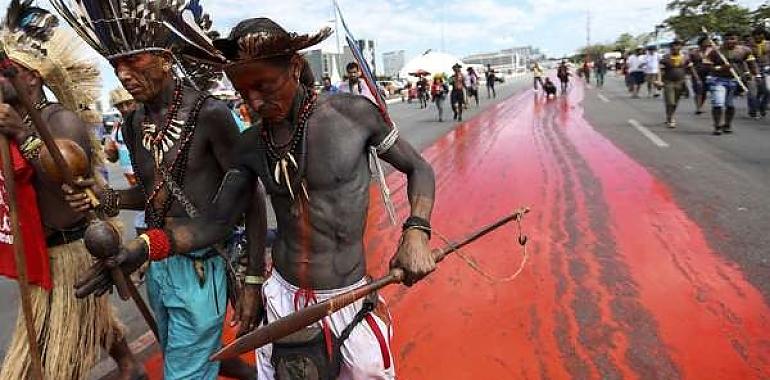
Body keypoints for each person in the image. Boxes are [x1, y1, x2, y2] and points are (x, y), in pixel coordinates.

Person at [74, 17, 437, 380]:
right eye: (244, 93)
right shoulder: (250, 144)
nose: (255, 102)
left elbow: (418, 168)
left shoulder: (352, 116)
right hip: (281, 299)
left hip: (348, 295)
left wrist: (416, 232)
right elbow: (216, 223)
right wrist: (142, 247)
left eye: (264, 87)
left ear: (295, 67)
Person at [52, 2, 258, 379]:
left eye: (134, 61)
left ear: (166, 58)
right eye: (116, 65)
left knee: (183, 373)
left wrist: (253, 280)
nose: (123, 74)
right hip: (158, 269)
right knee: (185, 361)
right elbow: (152, 194)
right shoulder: (133, 122)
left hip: (202, 266)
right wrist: (107, 197)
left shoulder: (209, 114)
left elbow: (249, 198)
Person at [0, 3, 143, 379]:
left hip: (70, 250)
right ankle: (129, 365)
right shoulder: (23, 119)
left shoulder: (59, 119)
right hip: (42, 246)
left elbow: (65, 178)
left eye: (4, 73)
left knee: (44, 359)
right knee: (94, 317)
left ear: (31, 78)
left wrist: (21, 136)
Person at [704, 30, 759, 135]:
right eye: (727, 39)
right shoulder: (716, 51)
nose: (730, 41)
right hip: (718, 80)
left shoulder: (745, 50)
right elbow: (707, 67)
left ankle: (727, 125)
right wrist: (720, 67)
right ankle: (717, 126)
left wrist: (755, 75)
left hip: (734, 80)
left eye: (733, 39)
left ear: (737, 39)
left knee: (730, 105)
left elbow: (751, 63)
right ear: (724, 40)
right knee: (718, 103)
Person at [658, 39, 696, 128]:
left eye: (678, 46)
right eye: (674, 46)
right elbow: (660, 70)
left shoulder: (685, 58)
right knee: (670, 101)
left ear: (681, 47)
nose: (675, 47)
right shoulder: (666, 58)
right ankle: (671, 118)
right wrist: (659, 81)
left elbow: (691, 69)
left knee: (675, 102)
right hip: (668, 82)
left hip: (681, 82)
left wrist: (697, 79)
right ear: (671, 47)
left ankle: (669, 115)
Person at [749, 27, 770, 118]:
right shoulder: (748, 46)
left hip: (766, 69)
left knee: (768, 91)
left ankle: (762, 106)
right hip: (752, 70)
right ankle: (753, 109)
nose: (757, 36)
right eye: (756, 35)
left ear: (764, 35)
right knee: (753, 92)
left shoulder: (769, 44)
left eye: (760, 34)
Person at [690, 36, 713, 114]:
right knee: (698, 90)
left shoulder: (712, 52)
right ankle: (698, 107)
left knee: (704, 91)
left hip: (708, 74)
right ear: (701, 43)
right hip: (697, 73)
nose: (707, 43)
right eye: (706, 41)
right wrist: (695, 75)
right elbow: (691, 65)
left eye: (708, 41)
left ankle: (701, 105)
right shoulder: (694, 52)